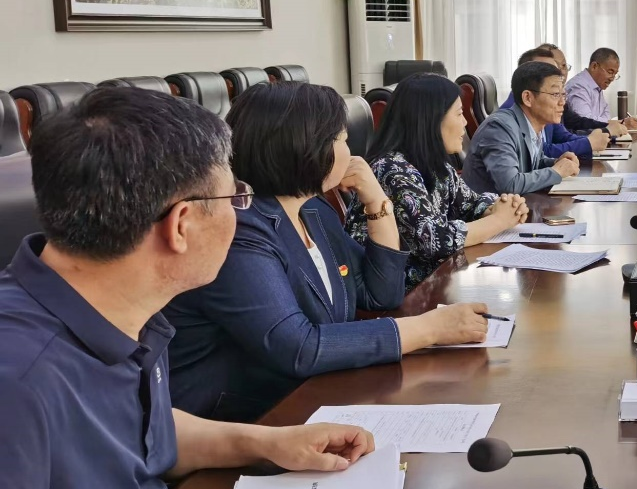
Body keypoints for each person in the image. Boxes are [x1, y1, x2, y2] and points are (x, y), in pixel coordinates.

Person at [0, 86, 378, 489]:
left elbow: (143, 433)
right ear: (182, 225)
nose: (242, 213)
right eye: (235, 198)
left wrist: (269, 442)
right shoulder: (19, 381)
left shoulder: (128, 311)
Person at [164, 82, 491, 422]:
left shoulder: (314, 211)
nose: (352, 153)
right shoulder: (241, 230)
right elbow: (299, 347)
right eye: (343, 140)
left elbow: (381, 293)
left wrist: (377, 201)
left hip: (314, 397)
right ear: (307, 147)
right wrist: (429, 329)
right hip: (241, 419)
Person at [348, 73, 530, 289]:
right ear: (431, 120)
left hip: (433, 285)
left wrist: (501, 206)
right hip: (399, 295)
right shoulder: (392, 169)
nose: (465, 122)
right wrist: (500, 220)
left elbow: (470, 204)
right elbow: (434, 240)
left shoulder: (435, 165)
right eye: (459, 114)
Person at [464, 60, 583, 195]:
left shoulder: (533, 124)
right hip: (486, 207)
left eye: (563, 95)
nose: (562, 102)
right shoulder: (499, 128)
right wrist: (557, 171)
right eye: (555, 94)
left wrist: (556, 162)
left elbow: (531, 164)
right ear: (527, 98)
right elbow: (510, 184)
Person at [502, 48, 611, 158]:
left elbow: (563, 138)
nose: (557, 74)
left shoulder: (545, 110)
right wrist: (588, 143)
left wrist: (601, 137)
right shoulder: (506, 123)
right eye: (544, 70)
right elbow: (540, 152)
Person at [564, 47, 637, 132]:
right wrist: (620, 123)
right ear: (594, 66)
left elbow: (606, 116)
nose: (612, 78)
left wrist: (614, 123)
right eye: (610, 72)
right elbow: (585, 121)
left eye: (615, 74)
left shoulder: (596, 86)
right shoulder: (578, 86)